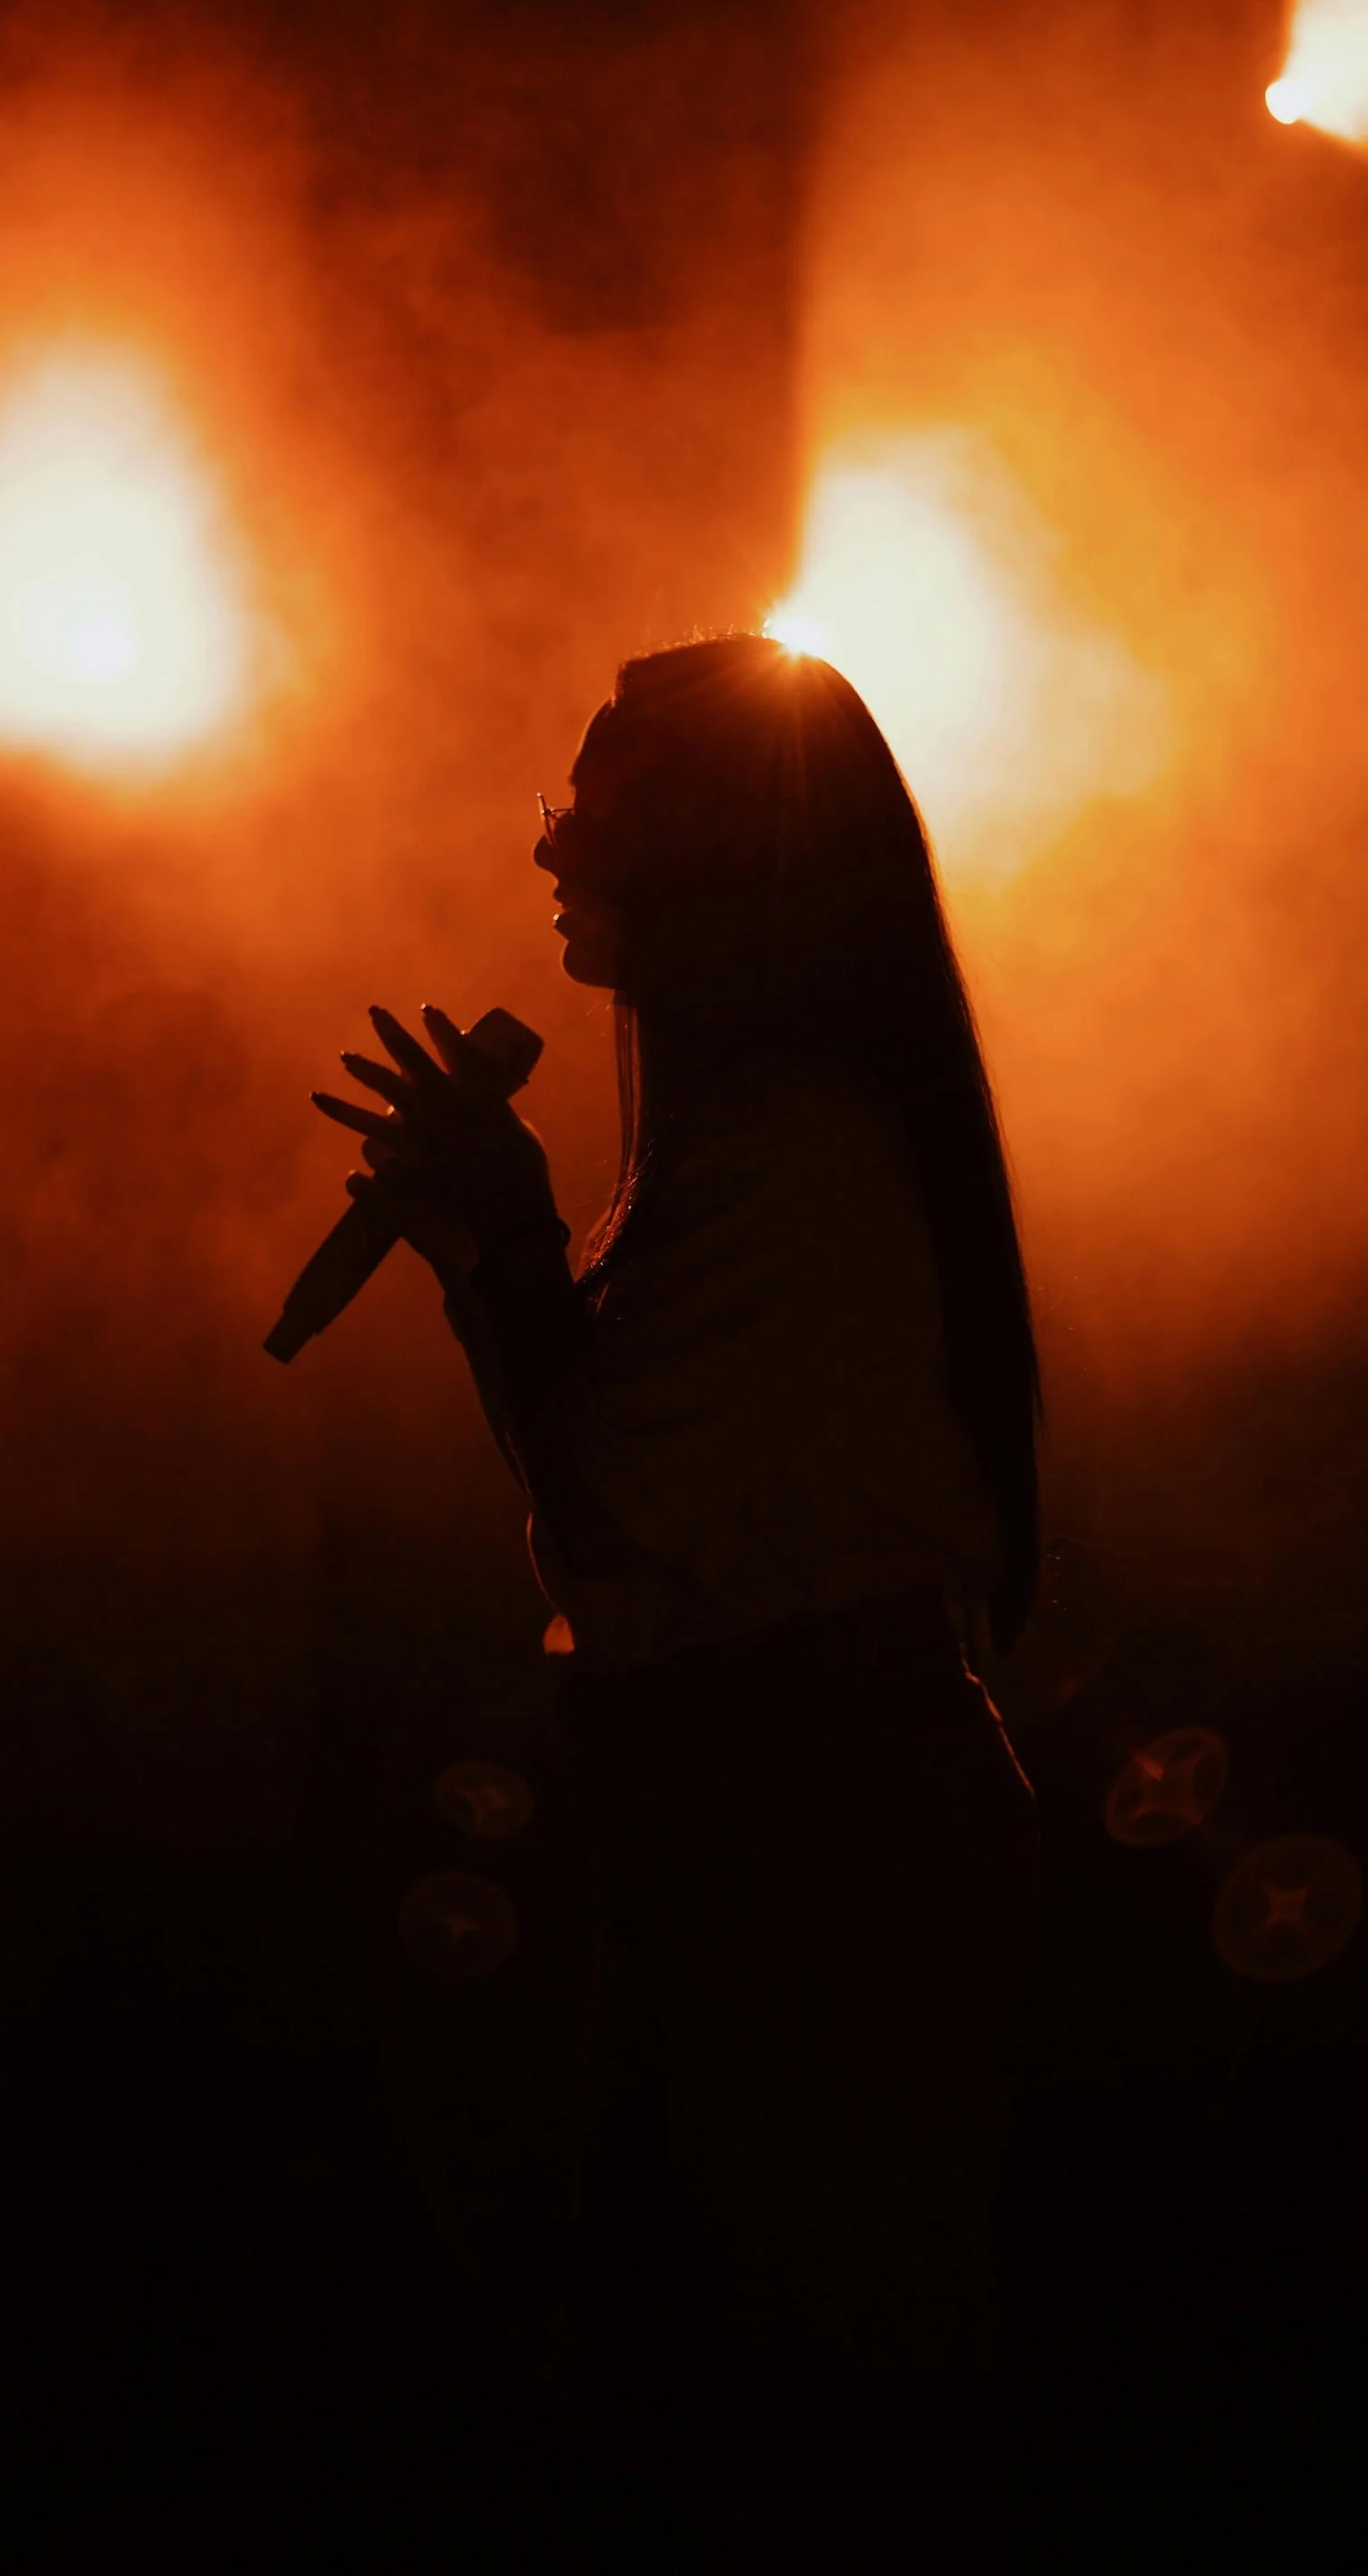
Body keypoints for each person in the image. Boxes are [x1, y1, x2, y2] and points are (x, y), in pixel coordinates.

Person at [312, 634, 1042, 2571]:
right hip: (769, 1819)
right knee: (735, 2388)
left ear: (717, 847)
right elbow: (603, 1514)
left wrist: (503, 1231)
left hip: (821, 1823)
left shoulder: (793, 1147)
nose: (551, 849)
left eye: (594, 801)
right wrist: (503, 1235)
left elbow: (611, 1521)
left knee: (811, 2419)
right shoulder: (733, 1143)